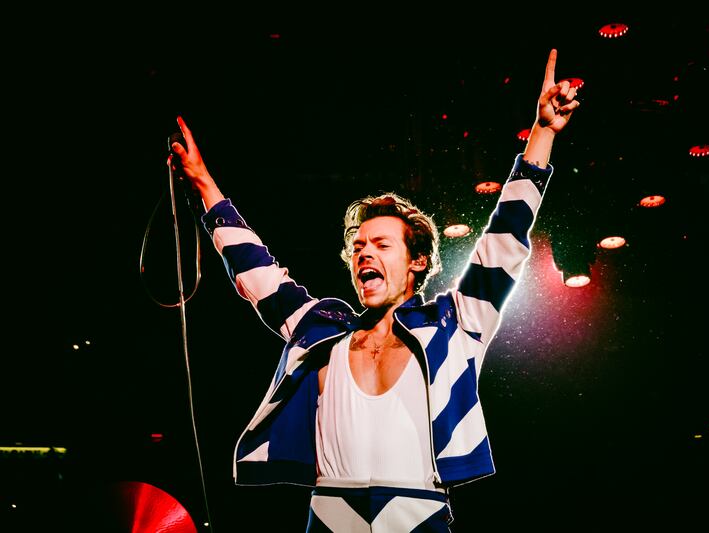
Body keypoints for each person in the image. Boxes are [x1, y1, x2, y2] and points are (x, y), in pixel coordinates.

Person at [169, 48, 579, 532]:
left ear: (417, 260)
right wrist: (202, 182)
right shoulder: (321, 328)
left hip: (418, 513)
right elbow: (254, 268)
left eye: (381, 244)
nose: (364, 253)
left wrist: (543, 133)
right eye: (358, 246)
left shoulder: (457, 323)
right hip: (330, 513)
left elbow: (504, 237)